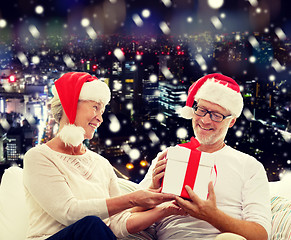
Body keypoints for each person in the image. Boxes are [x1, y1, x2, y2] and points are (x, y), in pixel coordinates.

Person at [23, 72, 185, 240]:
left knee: (97, 227)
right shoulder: (39, 157)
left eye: (102, 111)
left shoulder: (101, 163)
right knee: (91, 225)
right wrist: (133, 199)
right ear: (70, 104)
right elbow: (69, 213)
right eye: (95, 107)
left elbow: (116, 224)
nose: (100, 118)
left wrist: (166, 209)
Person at [139, 73, 272, 240]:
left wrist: (211, 215)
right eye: (201, 110)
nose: (205, 120)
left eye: (216, 115)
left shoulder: (249, 166)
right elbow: (128, 215)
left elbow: (261, 235)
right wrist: (152, 188)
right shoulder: (167, 157)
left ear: (231, 121)